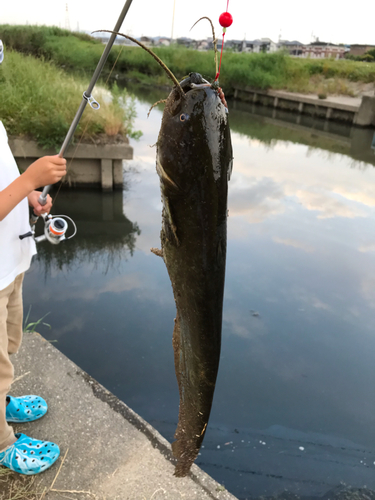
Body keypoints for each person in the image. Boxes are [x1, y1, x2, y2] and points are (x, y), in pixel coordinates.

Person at [0, 39, 67, 475]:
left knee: (7, 346)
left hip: (9, 264)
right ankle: (2, 445)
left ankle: (2, 400)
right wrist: (29, 178)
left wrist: (29, 197)